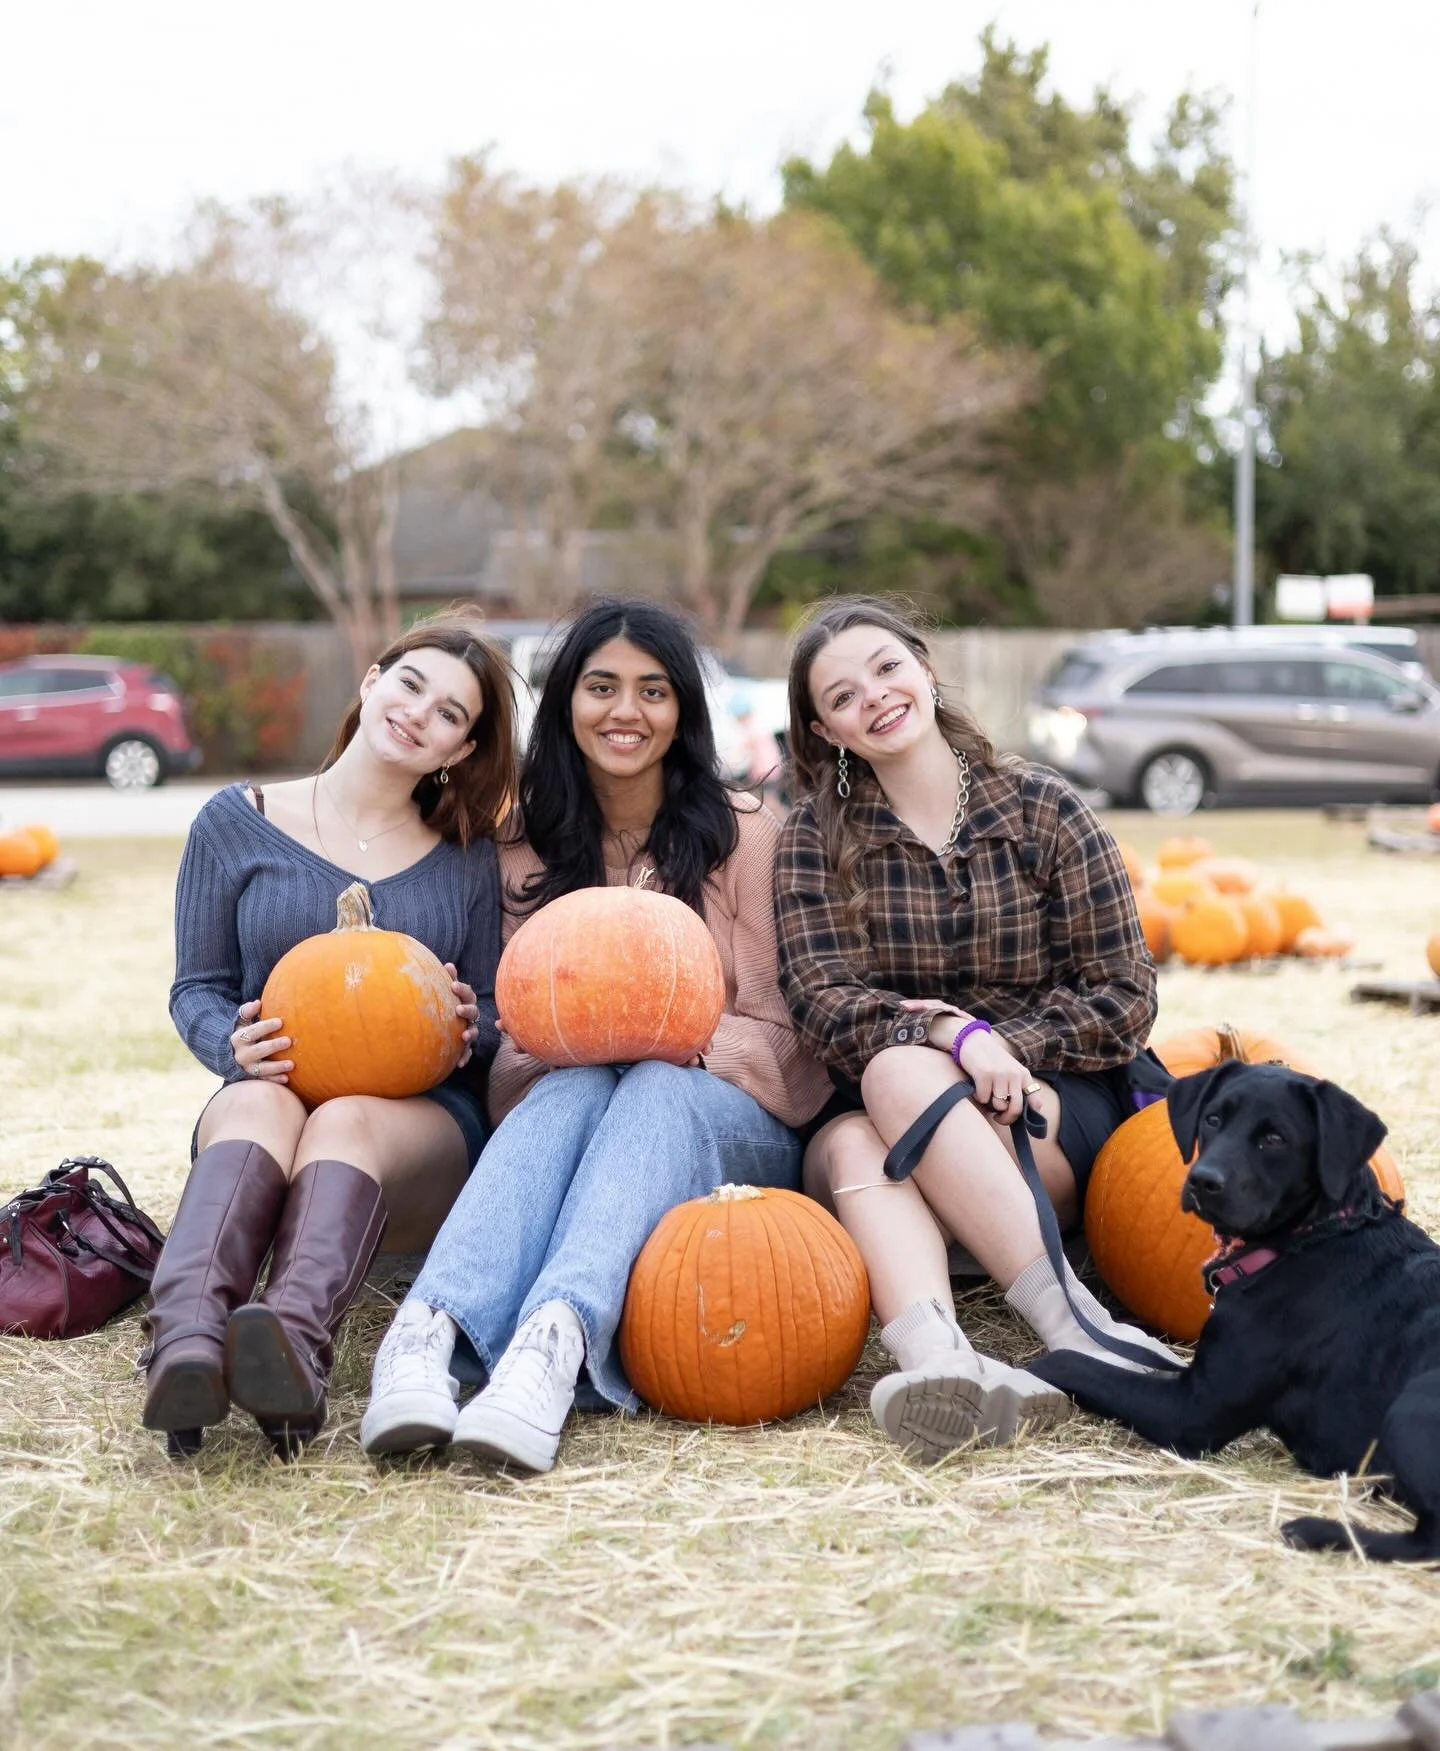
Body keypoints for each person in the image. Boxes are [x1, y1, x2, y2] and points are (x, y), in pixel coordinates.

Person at [359, 598, 831, 1473]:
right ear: (565, 702)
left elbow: (790, 1044)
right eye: (602, 686)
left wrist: (677, 1038)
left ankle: (555, 1341)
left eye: (653, 690)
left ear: (683, 708)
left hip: (731, 1127)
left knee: (654, 1081)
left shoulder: (747, 832)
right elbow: (513, 1051)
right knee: (578, 1082)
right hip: (568, 1113)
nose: (627, 710)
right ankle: (425, 1337)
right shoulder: (521, 847)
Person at [774, 595, 1176, 1462]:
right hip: (891, 1131)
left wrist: (1008, 1048)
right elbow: (821, 1000)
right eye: (841, 696)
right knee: (865, 1113)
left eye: (886, 667)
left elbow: (1126, 993)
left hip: (1046, 1110)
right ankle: (941, 1365)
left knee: (891, 1082)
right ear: (826, 730)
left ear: (923, 665)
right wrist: (955, 1032)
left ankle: (1069, 1323)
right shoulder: (815, 836)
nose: (874, 696)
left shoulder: (1043, 809)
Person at [149, 607, 515, 1458]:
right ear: (372, 681)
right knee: (258, 1105)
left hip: (411, 1122)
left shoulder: (464, 855)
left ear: (460, 750)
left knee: (343, 1114)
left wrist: (469, 1027)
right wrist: (226, 1046)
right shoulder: (235, 821)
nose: (420, 712)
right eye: (411, 683)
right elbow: (196, 988)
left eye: (451, 714)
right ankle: (187, 1345)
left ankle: (294, 1343)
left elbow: (497, 1011)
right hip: (272, 1093)